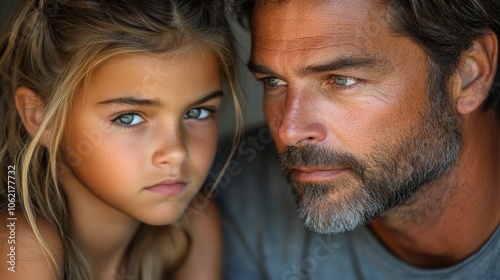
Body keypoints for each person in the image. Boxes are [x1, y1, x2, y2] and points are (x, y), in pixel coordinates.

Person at [214, 0, 500, 279]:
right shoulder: (229, 193)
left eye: (341, 80)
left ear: (469, 74)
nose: (289, 131)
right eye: (273, 82)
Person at [0, 0, 241, 279]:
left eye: (197, 112)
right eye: (129, 118)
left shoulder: (194, 226)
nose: (177, 152)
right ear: (41, 117)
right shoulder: (18, 245)